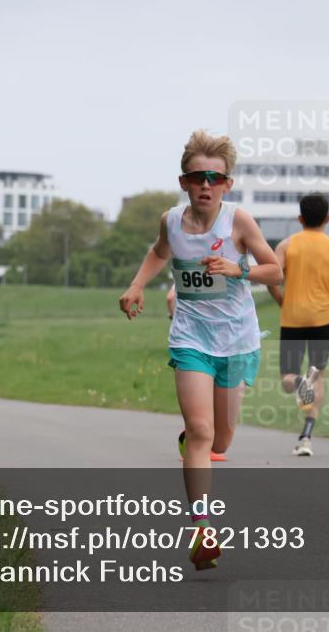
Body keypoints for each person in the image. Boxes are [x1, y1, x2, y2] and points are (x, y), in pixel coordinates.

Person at [119, 130, 282, 570]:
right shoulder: (171, 221)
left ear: (227, 183)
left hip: (237, 339)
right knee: (202, 429)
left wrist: (238, 267)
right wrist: (137, 285)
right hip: (191, 335)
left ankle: (192, 442)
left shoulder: (239, 222)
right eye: (197, 177)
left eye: (215, 177)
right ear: (184, 182)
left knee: (221, 437)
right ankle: (202, 529)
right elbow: (158, 253)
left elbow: (275, 269)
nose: (206, 185)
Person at [267, 193, 329, 457]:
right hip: (322, 320)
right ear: (328, 219)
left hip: (293, 319)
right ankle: (306, 437)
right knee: (318, 376)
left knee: (287, 381)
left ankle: (299, 381)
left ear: (300, 218)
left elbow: (272, 278)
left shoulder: (286, 246)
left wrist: (282, 301)